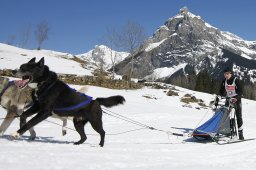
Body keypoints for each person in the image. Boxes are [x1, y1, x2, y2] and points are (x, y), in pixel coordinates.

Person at [218, 67, 244, 140]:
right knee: (226, 115)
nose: (226, 75)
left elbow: (241, 92)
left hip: (237, 100)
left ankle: (240, 133)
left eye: (227, 74)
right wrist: (218, 96)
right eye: (225, 74)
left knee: (238, 116)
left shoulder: (236, 80)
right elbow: (221, 91)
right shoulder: (224, 81)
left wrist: (236, 98)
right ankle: (228, 131)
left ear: (231, 74)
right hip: (229, 99)